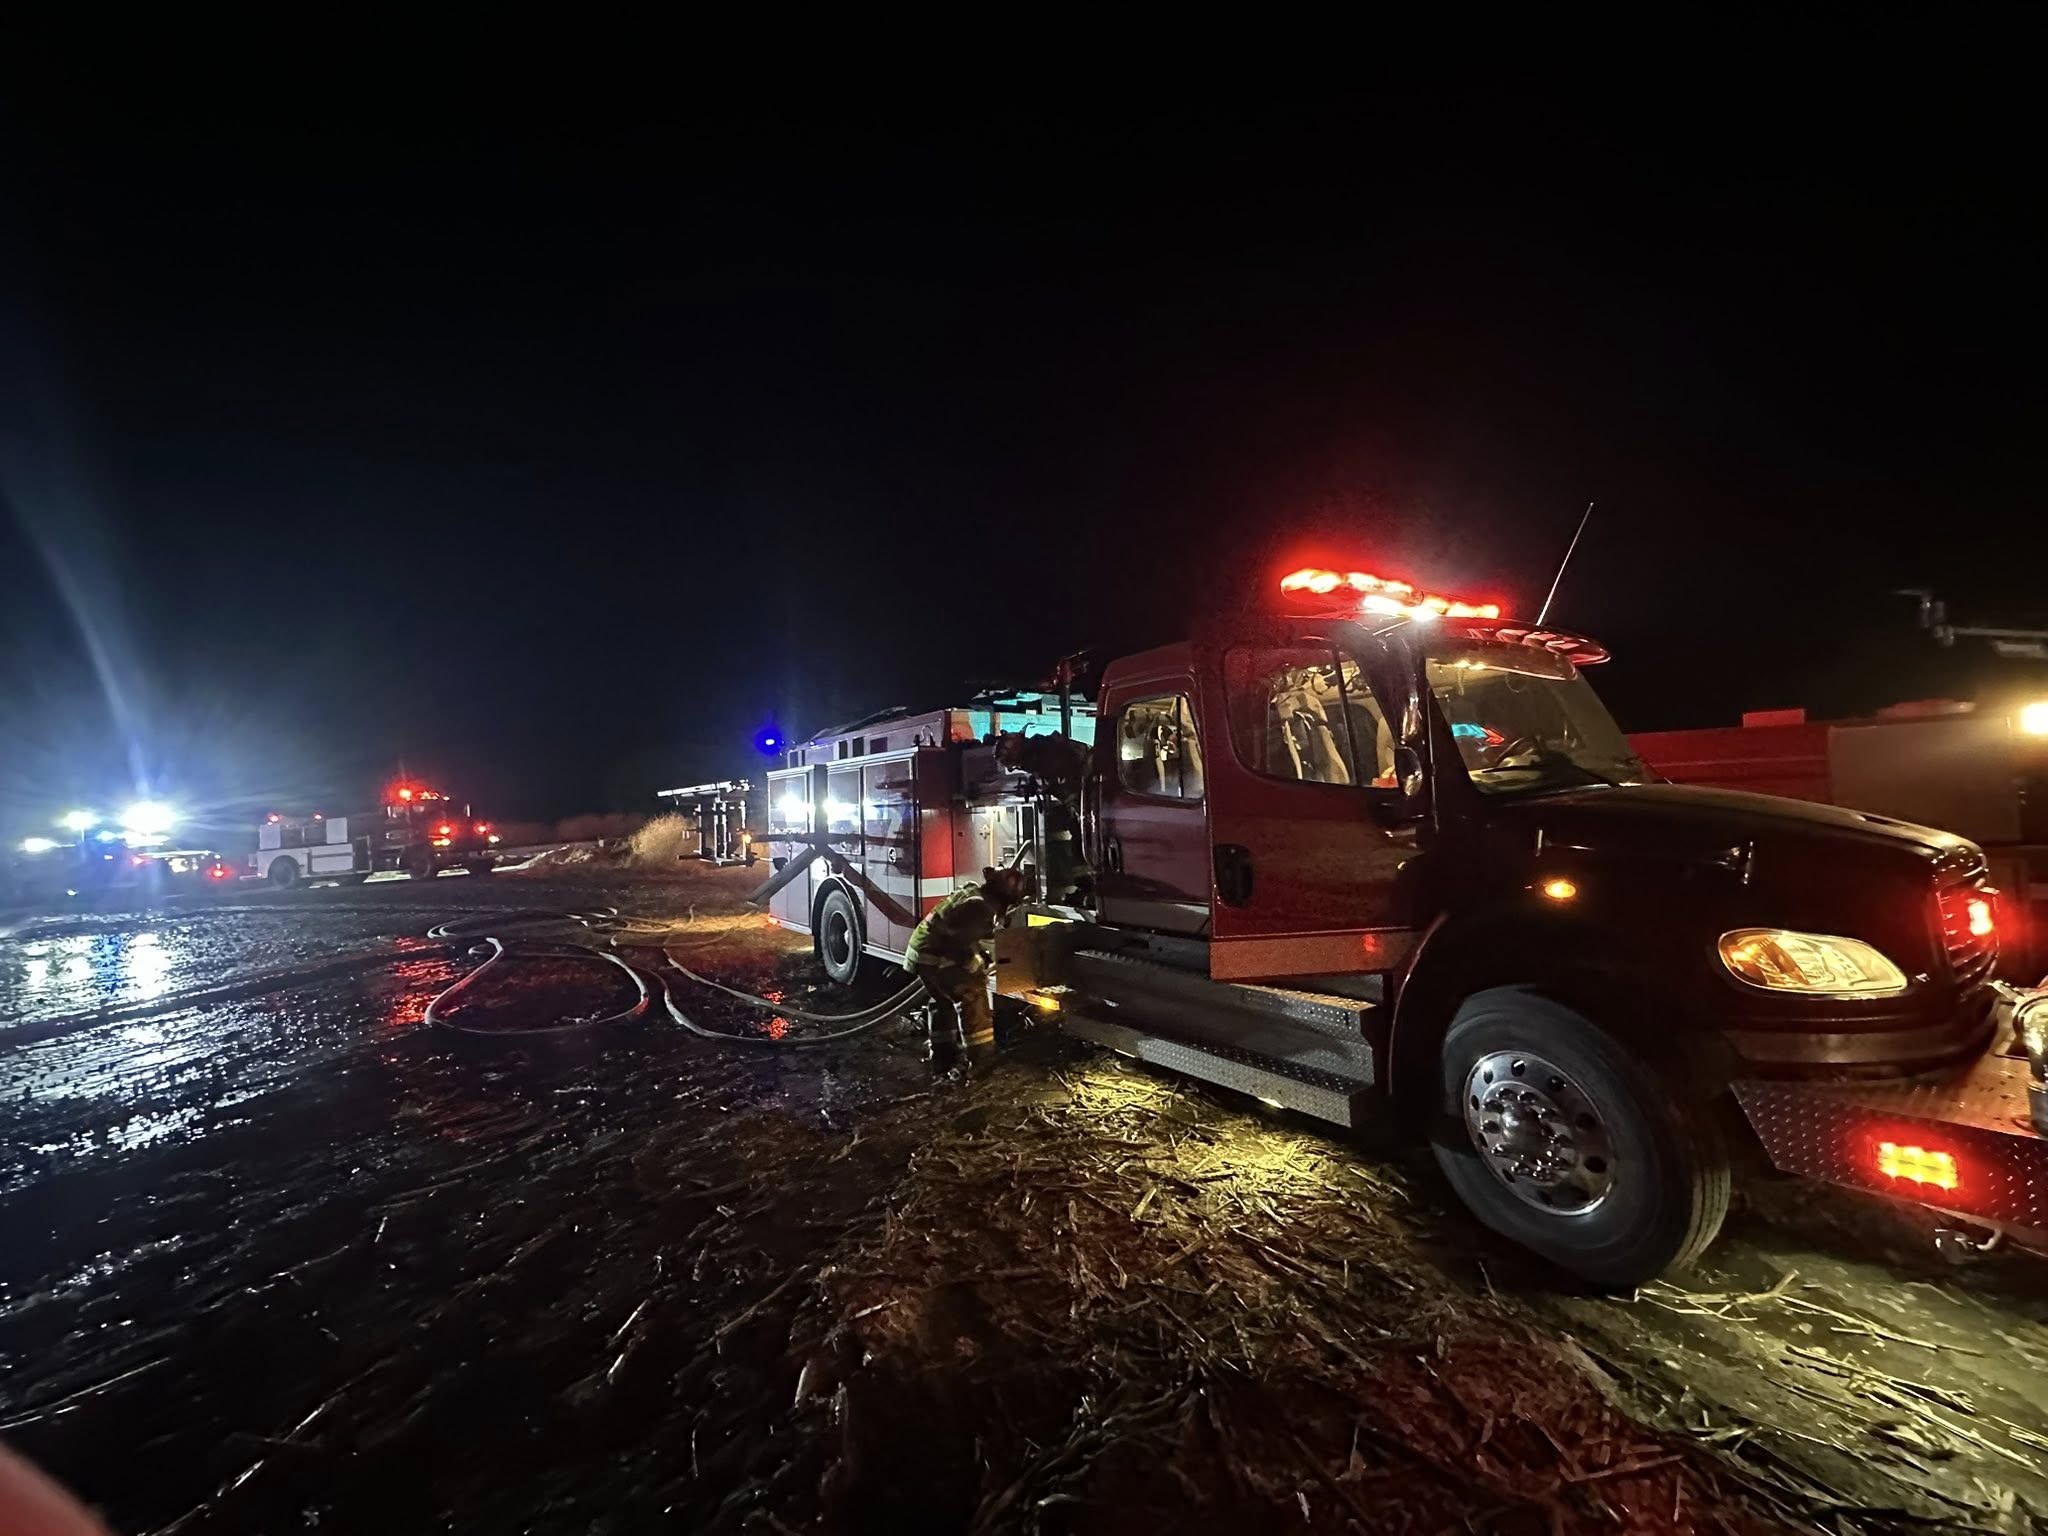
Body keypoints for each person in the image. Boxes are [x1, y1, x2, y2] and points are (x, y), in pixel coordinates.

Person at [902, 865, 1033, 1070]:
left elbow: (962, 933)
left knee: (943, 1002)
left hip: (923, 955)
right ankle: (982, 1061)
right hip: (936, 958)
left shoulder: (974, 895)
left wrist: (980, 955)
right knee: (972, 994)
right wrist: (972, 964)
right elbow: (955, 944)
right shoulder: (980, 908)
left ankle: (943, 1057)